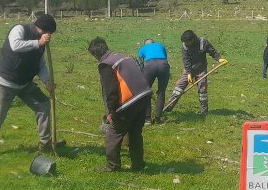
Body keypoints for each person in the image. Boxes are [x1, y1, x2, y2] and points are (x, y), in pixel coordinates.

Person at [0, 14, 62, 158]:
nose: (49, 36)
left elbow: (40, 64)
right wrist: (38, 43)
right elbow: (15, 45)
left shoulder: (42, 43)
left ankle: (45, 144)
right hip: (4, 81)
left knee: (43, 105)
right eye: (48, 32)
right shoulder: (20, 29)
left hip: (24, 83)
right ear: (42, 29)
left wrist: (47, 81)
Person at [89, 37, 152, 172]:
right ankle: (138, 164)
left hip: (130, 101)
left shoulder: (106, 64)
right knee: (135, 132)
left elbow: (111, 92)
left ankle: (112, 166)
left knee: (113, 133)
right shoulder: (124, 57)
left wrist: (112, 113)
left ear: (95, 55)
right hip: (145, 95)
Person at [164, 30, 227, 115]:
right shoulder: (185, 45)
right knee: (179, 87)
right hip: (189, 69)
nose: (186, 43)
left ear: (193, 39)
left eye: (187, 42)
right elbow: (186, 60)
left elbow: (213, 51)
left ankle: (203, 111)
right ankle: (168, 107)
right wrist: (189, 73)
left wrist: (219, 59)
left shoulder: (203, 42)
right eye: (184, 42)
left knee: (202, 89)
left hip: (201, 69)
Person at [137, 38, 171, 124]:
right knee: (161, 91)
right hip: (164, 65)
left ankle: (147, 118)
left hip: (150, 66)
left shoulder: (143, 48)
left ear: (145, 44)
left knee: (146, 92)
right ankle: (158, 118)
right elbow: (165, 58)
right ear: (153, 43)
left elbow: (140, 63)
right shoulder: (160, 46)